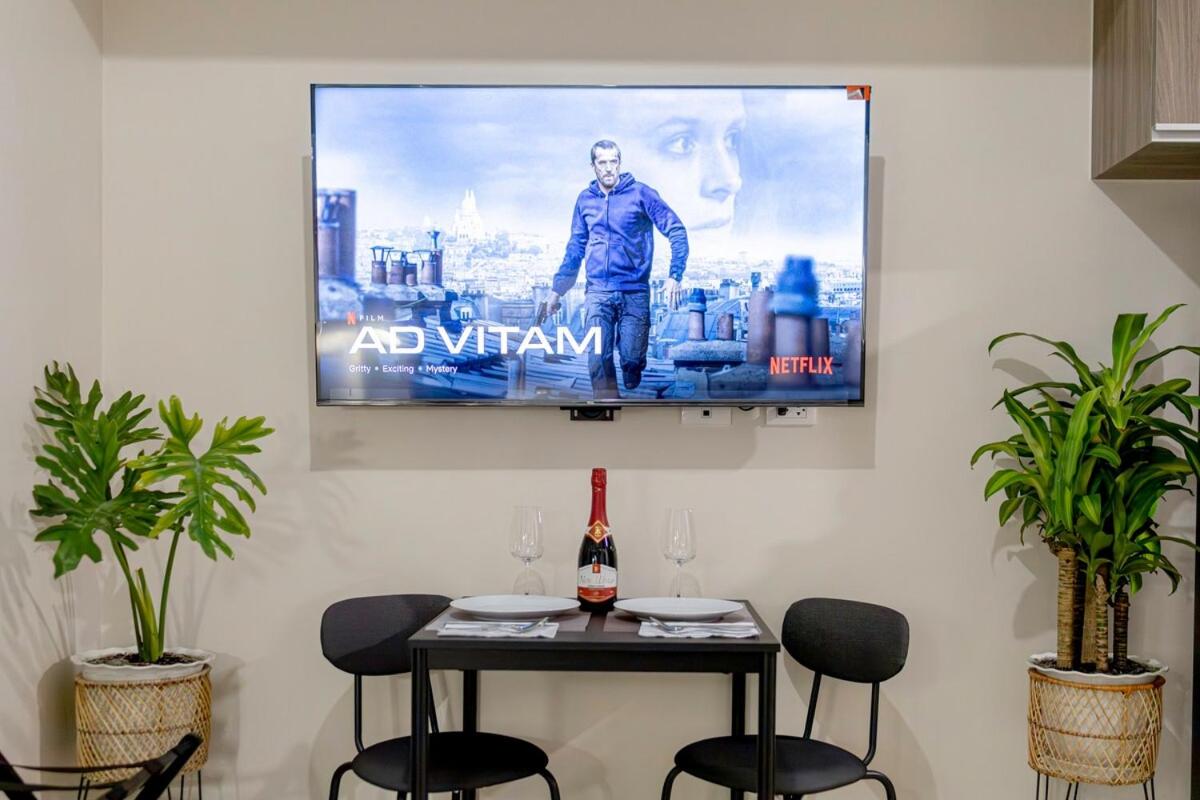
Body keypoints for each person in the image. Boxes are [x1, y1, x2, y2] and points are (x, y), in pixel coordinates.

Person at [545, 140, 688, 398]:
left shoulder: (642, 194)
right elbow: (575, 247)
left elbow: (676, 230)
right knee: (598, 357)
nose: (609, 168)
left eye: (613, 161)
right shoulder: (585, 200)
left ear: (620, 163)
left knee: (632, 360)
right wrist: (557, 291)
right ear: (593, 166)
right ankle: (607, 404)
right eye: (602, 162)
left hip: (635, 290)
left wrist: (674, 275)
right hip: (598, 291)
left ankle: (632, 367)